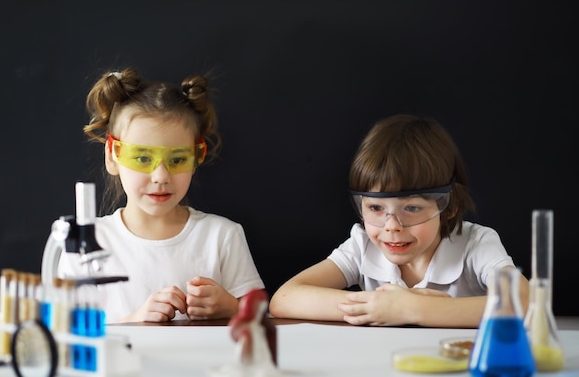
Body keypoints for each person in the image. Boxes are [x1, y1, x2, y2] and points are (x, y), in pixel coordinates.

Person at [268, 113, 529, 328]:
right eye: (376, 208)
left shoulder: (476, 243)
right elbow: (285, 298)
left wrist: (414, 308)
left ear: (449, 206)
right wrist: (381, 307)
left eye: (412, 208)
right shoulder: (363, 246)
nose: (392, 226)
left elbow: (525, 301)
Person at [60, 67, 265, 323]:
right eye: (143, 158)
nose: (160, 176)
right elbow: (65, 329)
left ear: (194, 159)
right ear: (113, 156)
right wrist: (136, 320)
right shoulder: (86, 243)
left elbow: (261, 314)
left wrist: (230, 307)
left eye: (177, 159)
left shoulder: (221, 236)